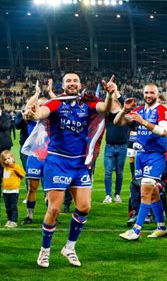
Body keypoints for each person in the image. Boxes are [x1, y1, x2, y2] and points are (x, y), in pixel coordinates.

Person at [26, 72, 116, 268]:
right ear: (63, 85)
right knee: (55, 209)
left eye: (75, 80)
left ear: (80, 83)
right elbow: (42, 113)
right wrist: (33, 113)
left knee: (84, 207)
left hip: (79, 163)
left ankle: (69, 247)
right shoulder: (57, 102)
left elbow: (105, 109)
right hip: (57, 161)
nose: (72, 83)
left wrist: (110, 95)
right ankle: (45, 250)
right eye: (68, 81)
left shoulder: (88, 103)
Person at [117, 83, 167, 241]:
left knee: (145, 192)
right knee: (153, 194)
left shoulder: (162, 110)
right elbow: (118, 122)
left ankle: (136, 230)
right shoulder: (139, 111)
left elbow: (163, 131)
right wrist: (124, 110)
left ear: (157, 94)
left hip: (155, 156)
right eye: (146, 92)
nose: (148, 95)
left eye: (151, 93)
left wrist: (142, 122)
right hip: (140, 155)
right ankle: (161, 227)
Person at [21, 83, 48, 225]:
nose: (41, 107)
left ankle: (52, 216)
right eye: (39, 105)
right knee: (32, 188)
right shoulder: (32, 119)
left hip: (51, 158)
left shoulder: (54, 120)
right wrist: (36, 94)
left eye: (45, 105)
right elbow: (27, 107)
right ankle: (29, 215)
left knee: (51, 189)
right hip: (35, 158)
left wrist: (50, 92)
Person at [102, 96, 128, 204]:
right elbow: (104, 106)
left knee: (119, 173)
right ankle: (108, 195)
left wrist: (117, 94)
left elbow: (126, 104)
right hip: (109, 146)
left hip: (122, 146)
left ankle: (117, 194)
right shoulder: (107, 115)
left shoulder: (125, 114)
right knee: (108, 173)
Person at [0, 149, 26, 228]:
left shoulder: (15, 167)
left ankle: (14, 221)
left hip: (14, 191)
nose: (7, 160)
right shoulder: (4, 168)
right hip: (5, 191)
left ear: (12, 158)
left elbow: (23, 174)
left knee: (13, 206)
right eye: (5, 159)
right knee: (7, 207)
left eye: (8, 158)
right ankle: (9, 219)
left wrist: (14, 166)